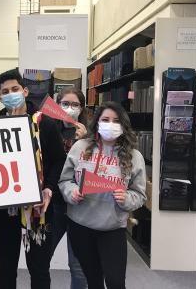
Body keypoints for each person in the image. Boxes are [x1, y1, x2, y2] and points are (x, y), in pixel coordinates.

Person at [0, 68, 66, 289]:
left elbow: (59, 160)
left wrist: (49, 188)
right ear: (0, 97)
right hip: (3, 210)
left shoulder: (45, 124)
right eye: (5, 91)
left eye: (15, 89)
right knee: (5, 267)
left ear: (24, 91)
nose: (10, 94)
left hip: (38, 208)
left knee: (39, 268)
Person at [58, 101, 147, 289]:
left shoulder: (134, 156)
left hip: (112, 227)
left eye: (116, 121)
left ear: (123, 125)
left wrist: (126, 198)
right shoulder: (80, 147)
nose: (111, 124)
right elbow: (65, 181)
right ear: (97, 122)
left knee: (116, 282)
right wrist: (71, 192)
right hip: (80, 225)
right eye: (105, 119)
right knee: (93, 280)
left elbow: (139, 194)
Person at [49, 87, 89, 289]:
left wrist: (85, 142)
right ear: (57, 105)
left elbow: (97, 170)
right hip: (54, 204)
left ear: (82, 108)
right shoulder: (48, 129)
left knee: (78, 266)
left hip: (79, 206)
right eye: (65, 103)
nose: (70, 108)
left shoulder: (91, 135)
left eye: (75, 104)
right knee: (42, 257)